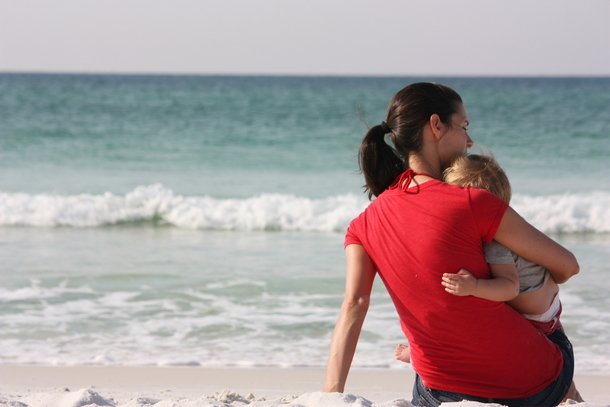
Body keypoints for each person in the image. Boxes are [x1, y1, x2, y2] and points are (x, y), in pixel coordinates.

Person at [323, 82, 580, 406]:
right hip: (531, 387)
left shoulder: (363, 224)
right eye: (464, 127)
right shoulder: (474, 203)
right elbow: (569, 266)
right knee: (546, 329)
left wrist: (330, 396)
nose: (469, 141)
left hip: (439, 393)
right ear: (436, 125)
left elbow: (354, 305)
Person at [393, 154, 582, 401]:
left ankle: (417, 355)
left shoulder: (493, 242)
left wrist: (474, 286)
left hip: (538, 320)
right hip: (543, 312)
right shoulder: (502, 232)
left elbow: (509, 287)